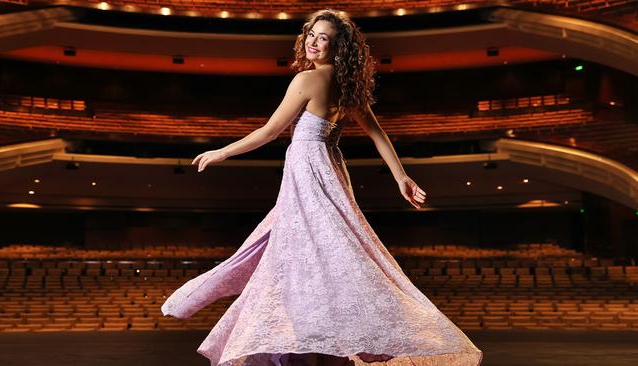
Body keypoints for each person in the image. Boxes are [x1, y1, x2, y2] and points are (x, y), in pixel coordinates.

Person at [161, 9, 483, 366]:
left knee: (304, 255)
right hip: (329, 168)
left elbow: (269, 132)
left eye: (323, 38)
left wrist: (223, 151)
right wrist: (400, 177)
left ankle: (309, 344)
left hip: (310, 169)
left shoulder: (306, 80)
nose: (314, 42)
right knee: (318, 253)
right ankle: (320, 345)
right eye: (311, 35)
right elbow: (378, 134)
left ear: (338, 46)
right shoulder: (347, 86)